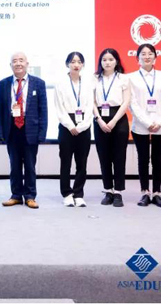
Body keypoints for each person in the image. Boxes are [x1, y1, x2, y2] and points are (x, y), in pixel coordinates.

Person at [0, 52, 48, 209]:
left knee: (30, 165)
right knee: (15, 165)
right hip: (12, 128)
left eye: (21, 60)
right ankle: (16, 195)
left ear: (27, 64)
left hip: (30, 129)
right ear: (10, 65)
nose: (18, 63)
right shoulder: (4, 84)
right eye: (14, 61)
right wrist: (0, 133)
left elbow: (43, 110)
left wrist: (42, 133)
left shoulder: (38, 83)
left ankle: (30, 196)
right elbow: (0, 110)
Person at [129, 43, 161, 208]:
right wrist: (147, 122)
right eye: (143, 54)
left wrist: (159, 122)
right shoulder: (131, 78)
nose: (147, 56)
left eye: (150, 53)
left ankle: (157, 193)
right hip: (140, 125)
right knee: (143, 159)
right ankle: (145, 192)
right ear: (137, 58)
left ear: (155, 57)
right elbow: (132, 104)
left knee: (158, 160)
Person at [54, 52, 93, 208]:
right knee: (66, 161)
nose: (76, 64)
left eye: (79, 62)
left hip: (84, 124)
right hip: (66, 126)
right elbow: (59, 107)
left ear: (83, 64)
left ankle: (78, 193)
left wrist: (82, 126)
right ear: (67, 64)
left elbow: (90, 107)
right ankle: (67, 193)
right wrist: (70, 126)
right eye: (73, 61)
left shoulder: (88, 83)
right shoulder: (60, 83)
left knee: (82, 162)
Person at [92, 48, 130, 208]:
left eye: (111, 59)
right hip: (100, 117)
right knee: (104, 156)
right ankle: (108, 190)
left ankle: (118, 191)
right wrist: (99, 120)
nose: (107, 62)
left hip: (118, 118)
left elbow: (126, 102)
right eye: (104, 59)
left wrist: (114, 121)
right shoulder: (95, 78)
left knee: (119, 156)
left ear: (116, 61)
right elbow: (91, 101)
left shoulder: (123, 78)